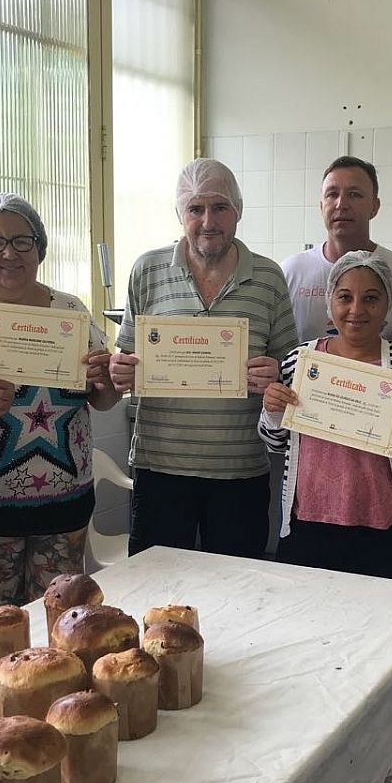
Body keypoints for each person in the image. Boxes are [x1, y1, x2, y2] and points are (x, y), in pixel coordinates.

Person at [0, 193, 118, 611]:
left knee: (64, 613)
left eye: (22, 241)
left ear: (39, 248)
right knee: (0, 618)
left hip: (64, 501)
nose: (9, 253)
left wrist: (107, 382)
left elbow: (102, 400)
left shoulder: (69, 310)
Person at [108, 159, 298, 558]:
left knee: (236, 584)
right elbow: (125, 360)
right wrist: (119, 369)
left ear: (238, 212)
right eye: (196, 209)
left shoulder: (268, 277)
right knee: (157, 582)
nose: (208, 221)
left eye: (220, 207)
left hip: (239, 469)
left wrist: (276, 375)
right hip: (160, 466)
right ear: (180, 214)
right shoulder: (147, 270)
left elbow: (291, 371)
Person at [259, 252, 392, 580]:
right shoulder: (299, 362)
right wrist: (272, 412)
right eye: (345, 297)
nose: (356, 310)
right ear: (330, 302)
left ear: (388, 303)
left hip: (387, 530)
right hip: (308, 525)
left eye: (371, 298)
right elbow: (276, 444)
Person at [282, 156, 392, 346]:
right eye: (332, 194)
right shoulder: (290, 273)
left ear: (374, 207)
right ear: (321, 206)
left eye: (354, 194)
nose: (341, 204)